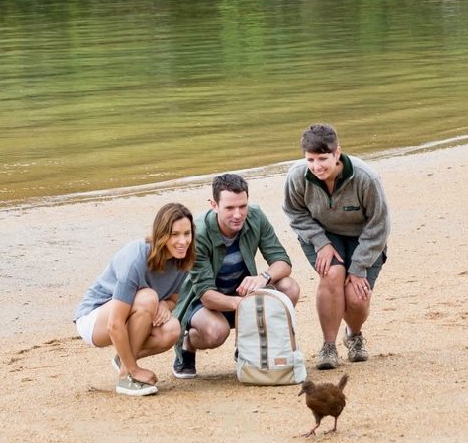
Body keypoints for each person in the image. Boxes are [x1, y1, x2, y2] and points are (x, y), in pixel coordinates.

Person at [170, 173, 299, 379]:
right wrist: (248, 305)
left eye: (242, 206)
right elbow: (206, 295)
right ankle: (188, 345)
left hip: (241, 292)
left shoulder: (256, 216)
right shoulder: (198, 234)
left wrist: (263, 277)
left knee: (288, 287)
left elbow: (282, 261)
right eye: (229, 208)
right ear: (214, 205)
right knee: (215, 333)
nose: (238, 214)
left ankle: (248, 347)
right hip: (202, 302)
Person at [282, 123, 389, 371]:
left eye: (323, 158)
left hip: (363, 237)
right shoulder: (297, 176)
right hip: (322, 234)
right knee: (332, 274)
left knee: (356, 296)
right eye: (310, 159)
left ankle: (354, 335)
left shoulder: (366, 178)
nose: (317, 166)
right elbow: (294, 212)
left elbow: (379, 224)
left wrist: (359, 266)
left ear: (337, 153)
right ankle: (328, 346)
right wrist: (321, 243)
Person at [72, 202, 196, 396]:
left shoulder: (183, 259)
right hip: (95, 319)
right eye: (174, 234)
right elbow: (114, 324)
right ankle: (127, 374)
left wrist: (165, 304)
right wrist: (135, 369)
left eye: (187, 233)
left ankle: (124, 360)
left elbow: (173, 300)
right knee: (148, 297)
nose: (182, 241)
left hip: (130, 314)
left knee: (172, 329)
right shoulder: (137, 258)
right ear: (161, 234)